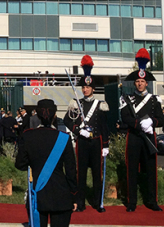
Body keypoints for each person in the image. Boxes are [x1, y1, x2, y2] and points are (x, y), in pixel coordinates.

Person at [15, 99, 77, 227]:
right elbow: (71, 171)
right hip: (61, 195)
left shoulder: (28, 136)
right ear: (55, 115)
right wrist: (74, 196)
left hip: (38, 195)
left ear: (37, 115)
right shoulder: (64, 138)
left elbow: (20, 164)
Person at [119, 48, 164, 212]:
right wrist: (139, 125)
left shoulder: (154, 99)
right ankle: (132, 202)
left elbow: (162, 119)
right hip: (134, 137)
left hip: (149, 137)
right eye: (137, 81)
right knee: (131, 169)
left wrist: (151, 122)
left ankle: (152, 201)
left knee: (151, 169)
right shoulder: (126, 98)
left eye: (142, 82)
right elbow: (125, 117)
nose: (139, 84)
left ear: (147, 83)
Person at [63, 55, 109, 213]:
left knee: (97, 175)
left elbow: (104, 127)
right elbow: (67, 120)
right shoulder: (76, 103)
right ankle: (80, 203)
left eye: (88, 87)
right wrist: (78, 130)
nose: (85, 89)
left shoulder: (100, 105)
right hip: (82, 143)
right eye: (83, 87)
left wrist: (106, 145)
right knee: (80, 174)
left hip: (96, 143)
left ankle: (97, 202)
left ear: (93, 89)